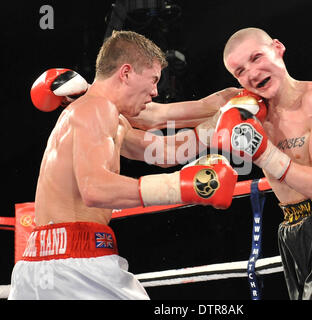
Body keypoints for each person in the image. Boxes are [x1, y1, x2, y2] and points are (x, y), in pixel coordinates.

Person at [8, 30, 238, 300]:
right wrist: (185, 186)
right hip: (74, 266)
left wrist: (218, 126)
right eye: (153, 80)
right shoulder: (96, 109)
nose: (155, 91)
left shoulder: (107, 117)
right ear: (126, 73)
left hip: (40, 264)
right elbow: (94, 189)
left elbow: (163, 151)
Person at [211, 27, 312, 300]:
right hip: (292, 231)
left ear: (278, 48)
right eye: (240, 71)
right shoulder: (245, 112)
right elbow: (164, 117)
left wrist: (264, 153)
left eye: (257, 57)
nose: (252, 74)